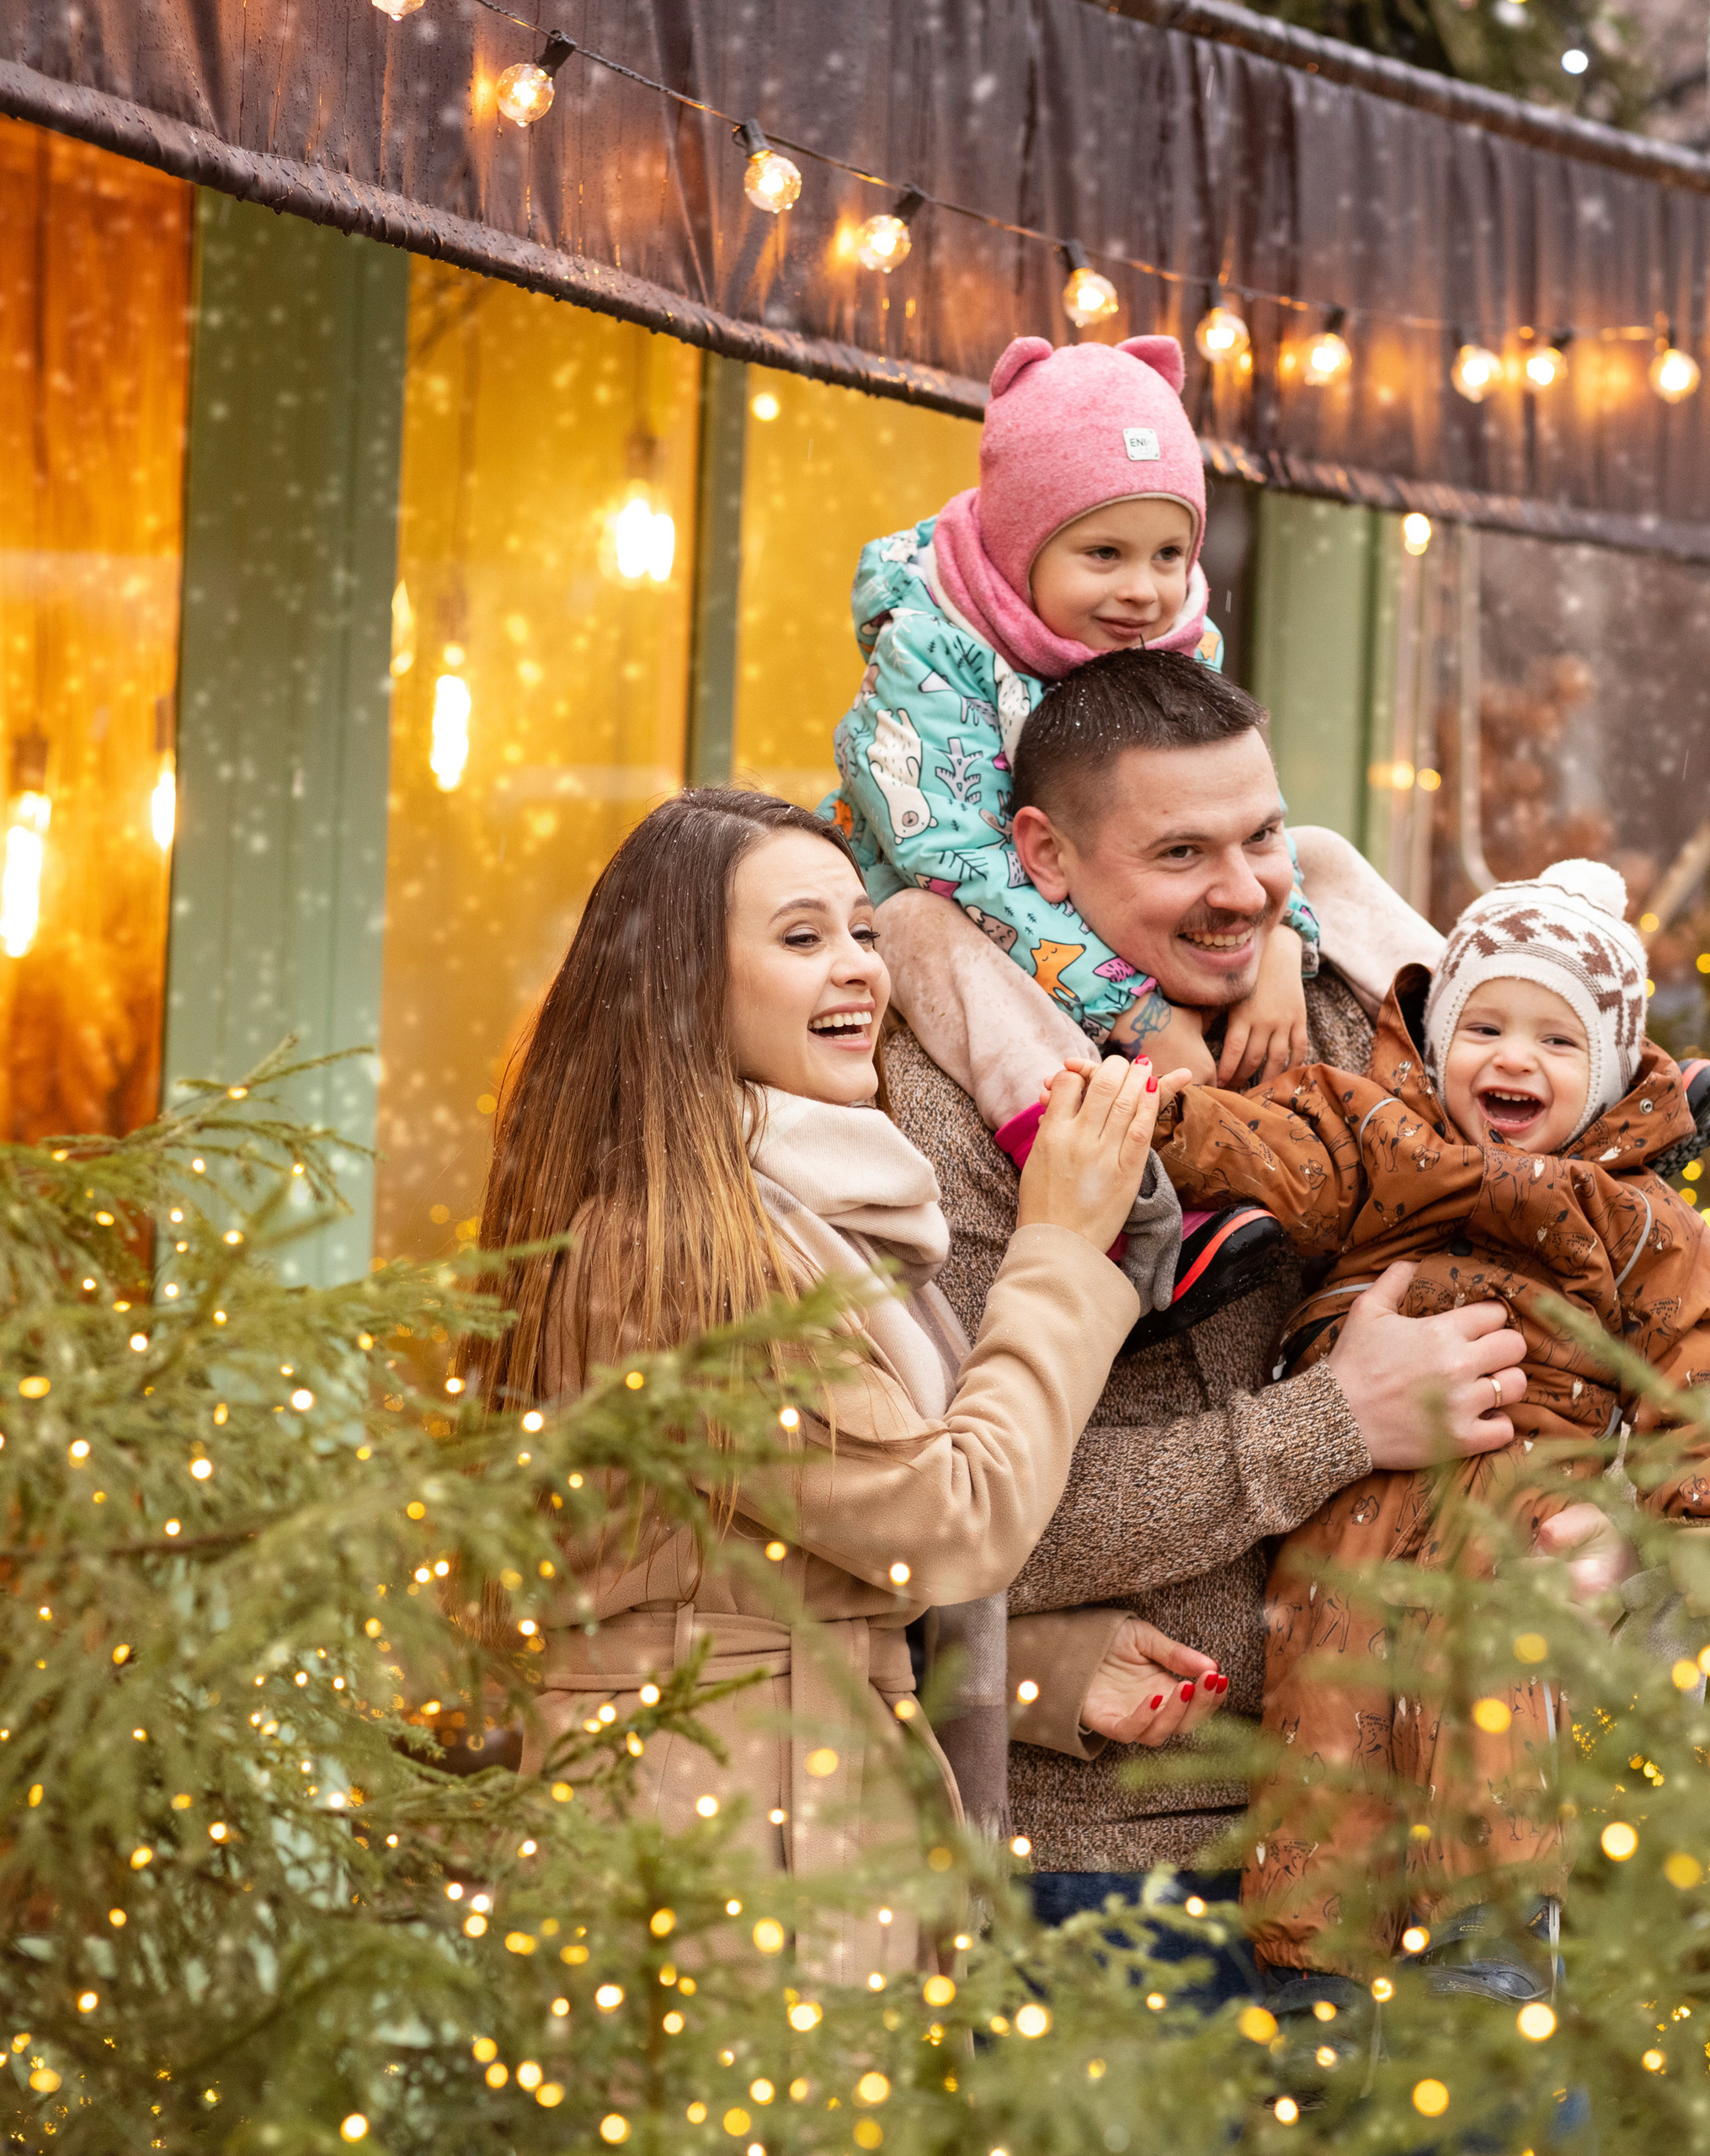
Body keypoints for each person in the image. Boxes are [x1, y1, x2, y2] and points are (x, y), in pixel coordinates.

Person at [875, 650, 1638, 1985]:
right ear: (1043, 854)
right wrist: (1334, 1422)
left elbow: (1593, 1302)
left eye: (1266, 836)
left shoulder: (1377, 1024)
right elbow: (952, 1515)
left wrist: (1599, 1511)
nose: (1242, 892)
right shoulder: (945, 1100)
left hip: (1447, 1820)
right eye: (1182, 852)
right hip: (1127, 1865)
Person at [465, 788, 1217, 1987]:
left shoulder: (818, 1222)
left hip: (783, 1833)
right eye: (802, 938)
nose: (859, 970)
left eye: (863, 933)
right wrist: (1062, 1247)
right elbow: (947, 1522)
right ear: (682, 987)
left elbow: (787, 1587)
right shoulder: (685, 1257)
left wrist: (1043, 1676)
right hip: (726, 1885)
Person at [1140, 857, 1710, 1992]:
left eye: (1558, 1040)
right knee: (1323, 1738)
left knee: (1491, 1728)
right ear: (1438, 1045)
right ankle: (1308, 1994)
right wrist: (1160, 1113)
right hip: (1352, 1515)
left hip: (1518, 1508)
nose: (1513, 1058)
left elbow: (1706, 1362)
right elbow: (1272, 1143)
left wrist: (1676, 1529)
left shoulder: (1640, 1218)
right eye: (1485, 1025)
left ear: (1618, 1070)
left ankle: (1488, 1968)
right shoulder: (1382, 1140)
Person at [825, 334, 1322, 1341]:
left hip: (1103, 900)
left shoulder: (1166, 635)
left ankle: (1492, 1035)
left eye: (1168, 554)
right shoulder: (931, 651)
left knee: (1323, 850)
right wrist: (1136, 1010)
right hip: (966, 915)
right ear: (1019, 547)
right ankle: (1129, 1215)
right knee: (920, 928)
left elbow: (1239, 816)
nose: (1143, 590)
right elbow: (955, 861)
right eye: (1103, 553)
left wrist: (1284, 943)